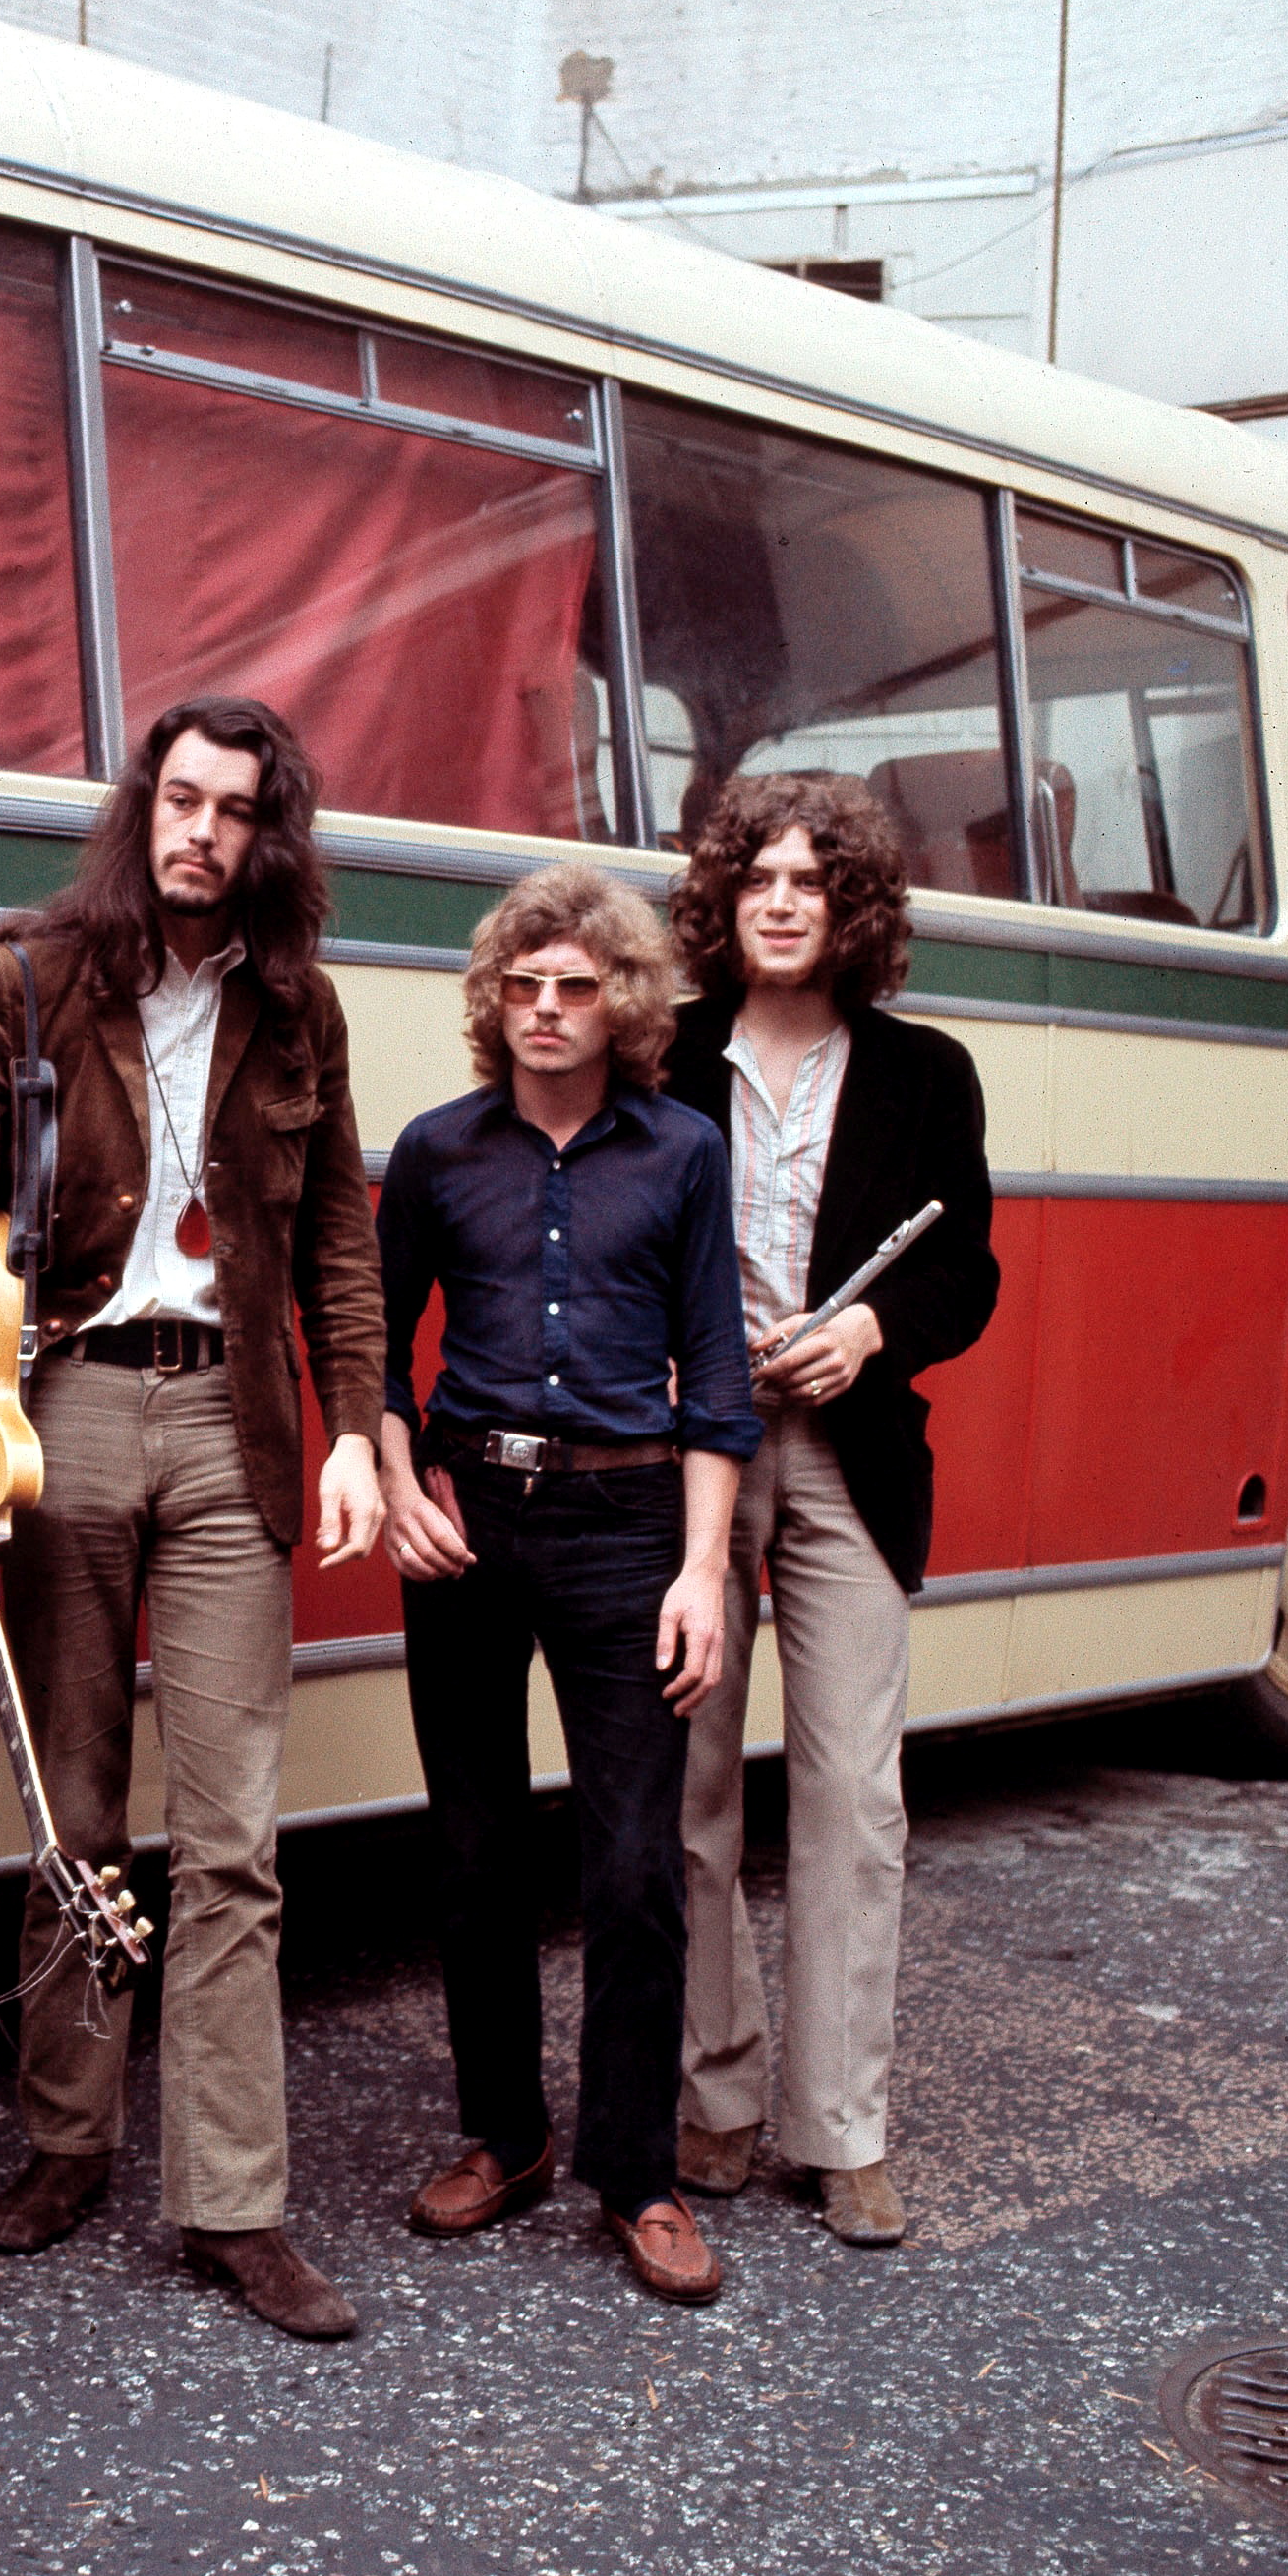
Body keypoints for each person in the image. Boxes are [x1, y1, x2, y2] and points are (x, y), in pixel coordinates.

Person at [0, 694, 386, 2342]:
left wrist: (360, 1433)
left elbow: (340, 1252)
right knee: (71, 1800)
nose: (202, 834)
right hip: (67, 1412)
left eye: (236, 811)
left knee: (233, 1835)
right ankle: (63, 2139)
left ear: (268, 836)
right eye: (180, 799)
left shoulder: (299, 1013)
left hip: (238, 1418)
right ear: (140, 808)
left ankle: (235, 2203)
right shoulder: (25, 978)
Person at [377, 861, 759, 2305]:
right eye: (521, 987)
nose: (544, 1010)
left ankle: (637, 2177)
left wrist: (706, 1571)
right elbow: (375, 1346)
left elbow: (717, 1375)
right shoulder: (434, 1151)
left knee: (634, 1869)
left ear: (622, 1005)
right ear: (495, 1002)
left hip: (628, 1529)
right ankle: (505, 2136)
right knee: (474, 1854)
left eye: (574, 987)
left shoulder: (680, 1154)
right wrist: (404, 1481)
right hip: (471, 1523)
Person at [664, 771, 1000, 2247]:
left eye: (811, 881)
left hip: (850, 1452)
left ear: (850, 906)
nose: (784, 902)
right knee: (692, 1790)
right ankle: (717, 2100)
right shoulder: (661, 1057)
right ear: (725, 904)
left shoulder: (927, 1073)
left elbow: (964, 1273)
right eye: (759, 881)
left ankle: (841, 2128)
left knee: (855, 1801)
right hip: (698, 1450)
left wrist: (868, 1334)